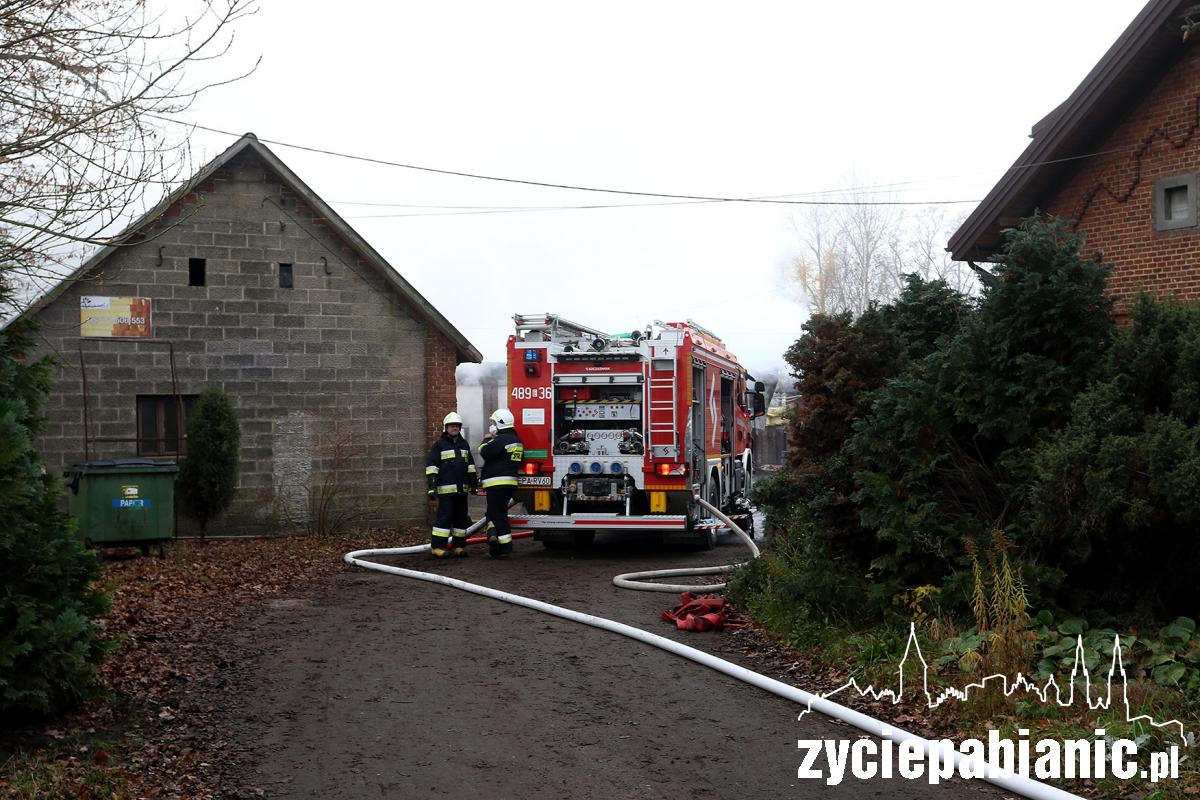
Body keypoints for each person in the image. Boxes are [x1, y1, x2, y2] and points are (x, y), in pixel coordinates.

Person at [424, 411, 477, 559]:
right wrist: (432, 486)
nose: (455, 428)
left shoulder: (464, 444)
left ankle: (459, 546)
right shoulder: (439, 445)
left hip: (462, 491)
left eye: (457, 426)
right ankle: (437, 548)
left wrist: (473, 484)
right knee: (444, 519)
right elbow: (432, 467)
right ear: (446, 428)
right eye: (452, 426)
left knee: (461, 520)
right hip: (446, 492)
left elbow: (471, 466)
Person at [477, 408, 523, 557]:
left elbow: (484, 452)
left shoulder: (500, 440)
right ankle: (492, 537)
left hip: (496, 483)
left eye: (493, 423)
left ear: (500, 424)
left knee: (498, 514)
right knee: (493, 512)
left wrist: (486, 439)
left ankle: (505, 547)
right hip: (509, 483)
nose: (492, 425)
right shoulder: (516, 440)